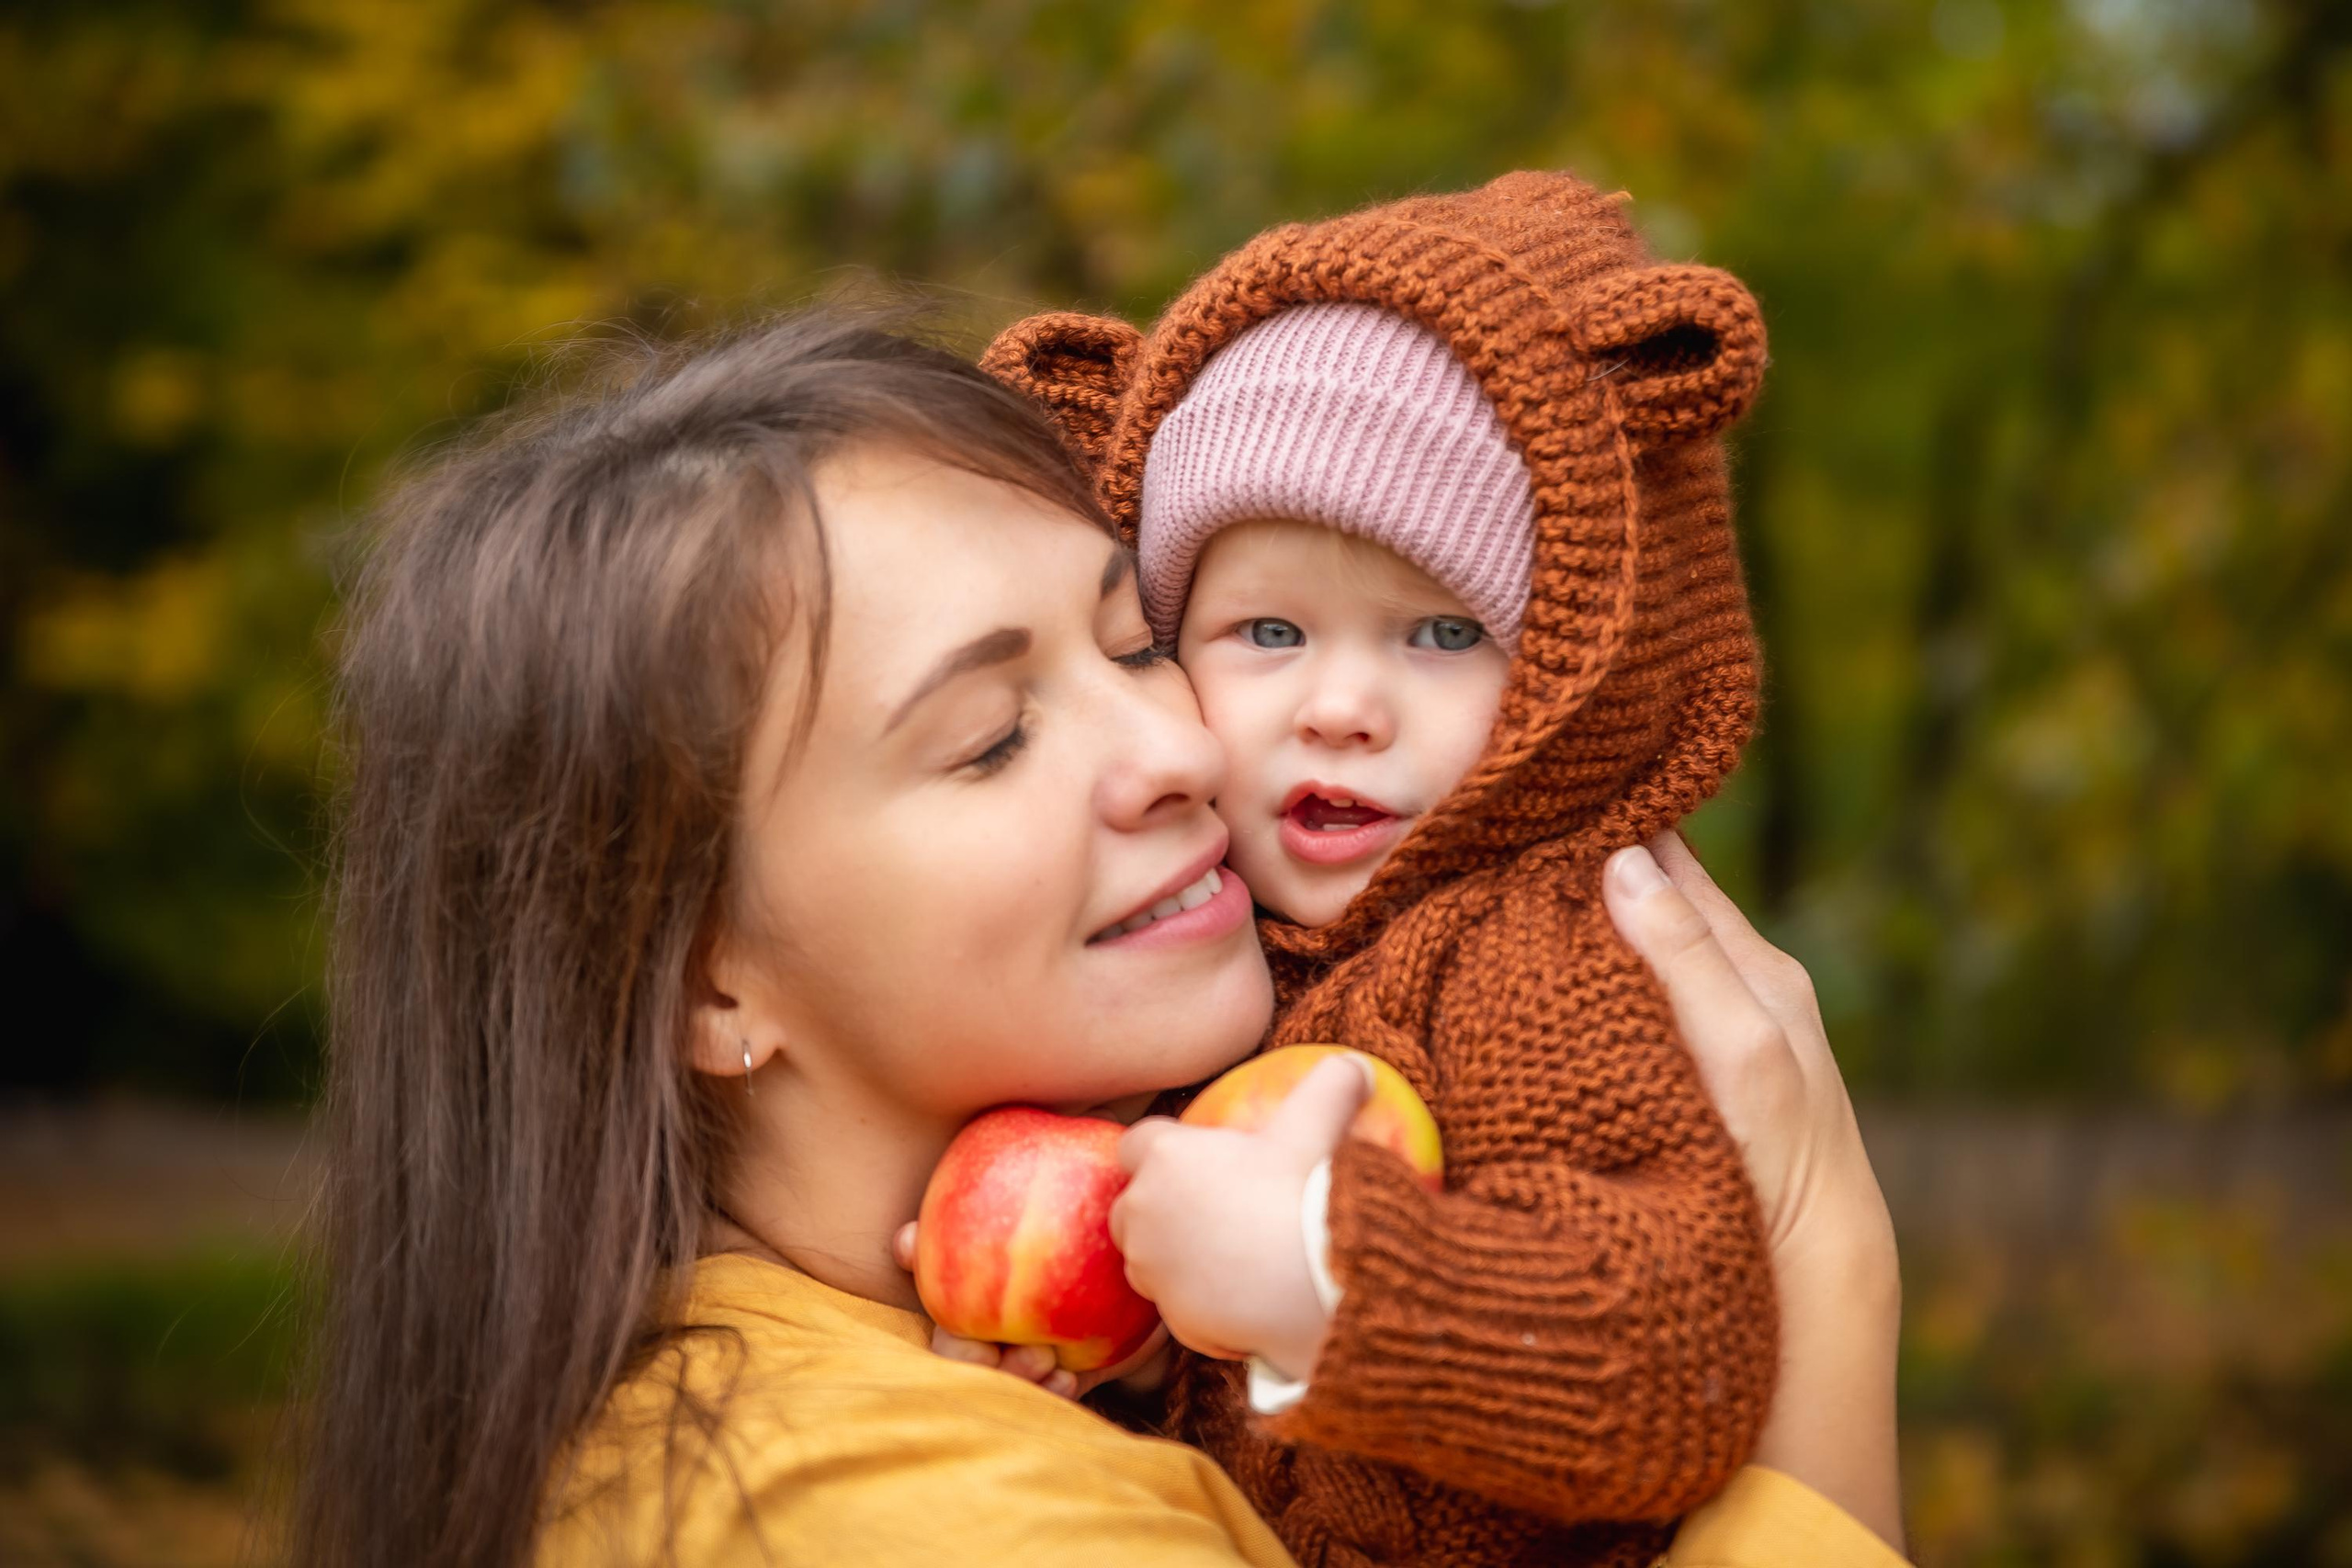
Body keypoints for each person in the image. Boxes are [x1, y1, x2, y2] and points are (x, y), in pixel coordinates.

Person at [288, 309, 1905, 1568]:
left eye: (1141, 642)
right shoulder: (886, 1507)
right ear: (703, 974)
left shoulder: (1015, 1355)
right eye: (992, 737)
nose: (1191, 751)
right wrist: (1824, 1268)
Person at [981, 169, 1784, 1567]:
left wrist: (1326, 1279)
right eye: (1268, 635)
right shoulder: (1201, 960)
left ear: (1575, 678)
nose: (1341, 706)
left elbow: (1679, 1355)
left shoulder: (1537, 967)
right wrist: (1117, 1368)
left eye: (1442, 636)